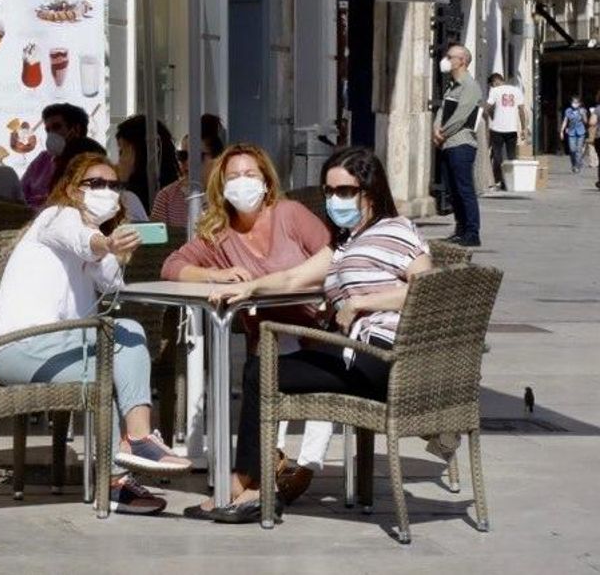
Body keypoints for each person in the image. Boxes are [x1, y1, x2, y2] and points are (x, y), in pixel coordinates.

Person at [189, 146, 432, 523]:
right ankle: (251, 483)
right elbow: (292, 277)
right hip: (362, 356)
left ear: (370, 190)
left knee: (261, 371)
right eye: (330, 192)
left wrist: (362, 304)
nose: (336, 200)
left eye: (346, 191)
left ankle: (248, 486)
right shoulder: (346, 242)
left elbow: (428, 289)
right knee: (263, 367)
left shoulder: (395, 230)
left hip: (384, 359)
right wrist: (250, 289)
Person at [0, 152, 190, 515]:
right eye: (95, 183)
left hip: (57, 347)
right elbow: (83, 241)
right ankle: (139, 439)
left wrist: (118, 255)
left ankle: (115, 483)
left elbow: (110, 284)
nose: (106, 191)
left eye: (114, 186)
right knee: (126, 331)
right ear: (72, 189)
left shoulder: (96, 237)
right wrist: (107, 245)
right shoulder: (55, 217)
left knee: (113, 362)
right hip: (18, 348)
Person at [160, 143, 336, 504]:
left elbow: (335, 258)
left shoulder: (291, 214)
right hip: (270, 337)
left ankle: (267, 475)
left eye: (250, 175)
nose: (242, 182)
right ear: (221, 186)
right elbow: (172, 266)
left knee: (262, 370)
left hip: (320, 327)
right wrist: (215, 273)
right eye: (234, 176)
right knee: (259, 368)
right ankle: (256, 474)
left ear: (267, 182)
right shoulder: (219, 233)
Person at [432, 45, 481, 247]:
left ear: (462, 61)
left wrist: (442, 133)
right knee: (452, 189)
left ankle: (472, 232)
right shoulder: (453, 86)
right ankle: (460, 228)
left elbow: (460, 117)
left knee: (464, 189)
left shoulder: (470, 86)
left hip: (461, 144)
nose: (446, 60)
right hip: (447, 144)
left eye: (450, 57)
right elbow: (443, 111)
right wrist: (435, 128)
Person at [51, 136, 150, 223]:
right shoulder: (55, 228)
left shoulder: (125, 205)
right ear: (73, 191)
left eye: (113, 185)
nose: (108, 192)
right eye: (97, 184)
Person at [21, 103, 89, 208]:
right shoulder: (42, 159)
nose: (51, 134)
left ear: (76, 130)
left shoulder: (92, 165)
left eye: (57, 127)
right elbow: (18, 196)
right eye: (48, 130)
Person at [151, 129, 222, 229]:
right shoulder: (166, 198)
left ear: (217, 160)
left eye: (196, 156)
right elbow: (156, 240)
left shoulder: (228, 197)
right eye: (183, 155)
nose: (188, 162)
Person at [114, 115, 178, 214]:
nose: (118, 162)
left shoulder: (126, 201)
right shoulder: (178, 195)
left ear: (140, 153)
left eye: (121, 151)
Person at [482, 73, 527, 191]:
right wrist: (523, 128)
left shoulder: (495, 91)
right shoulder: (516, 90)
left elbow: (486, 109)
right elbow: (522, 110)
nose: (492, 87)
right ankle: (510, 182)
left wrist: (490, 120)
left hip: (497, 129)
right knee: (511, 156)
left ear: (495, 82)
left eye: (492, 85)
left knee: (497, 156)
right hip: (512, 129)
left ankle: (498, 181)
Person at [561, 95, 588, 175]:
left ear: (579, 103)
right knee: (572, 149)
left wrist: (583, 115)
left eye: (576, 102)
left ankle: (577, 166)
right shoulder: (568, 111)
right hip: (571, 132)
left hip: (580, 132)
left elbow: (586, 122)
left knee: (578, 150)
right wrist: (561, 131)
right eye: (573, 102)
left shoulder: (582, 110)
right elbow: (565, 120)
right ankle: (574, 164)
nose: (574, 104)